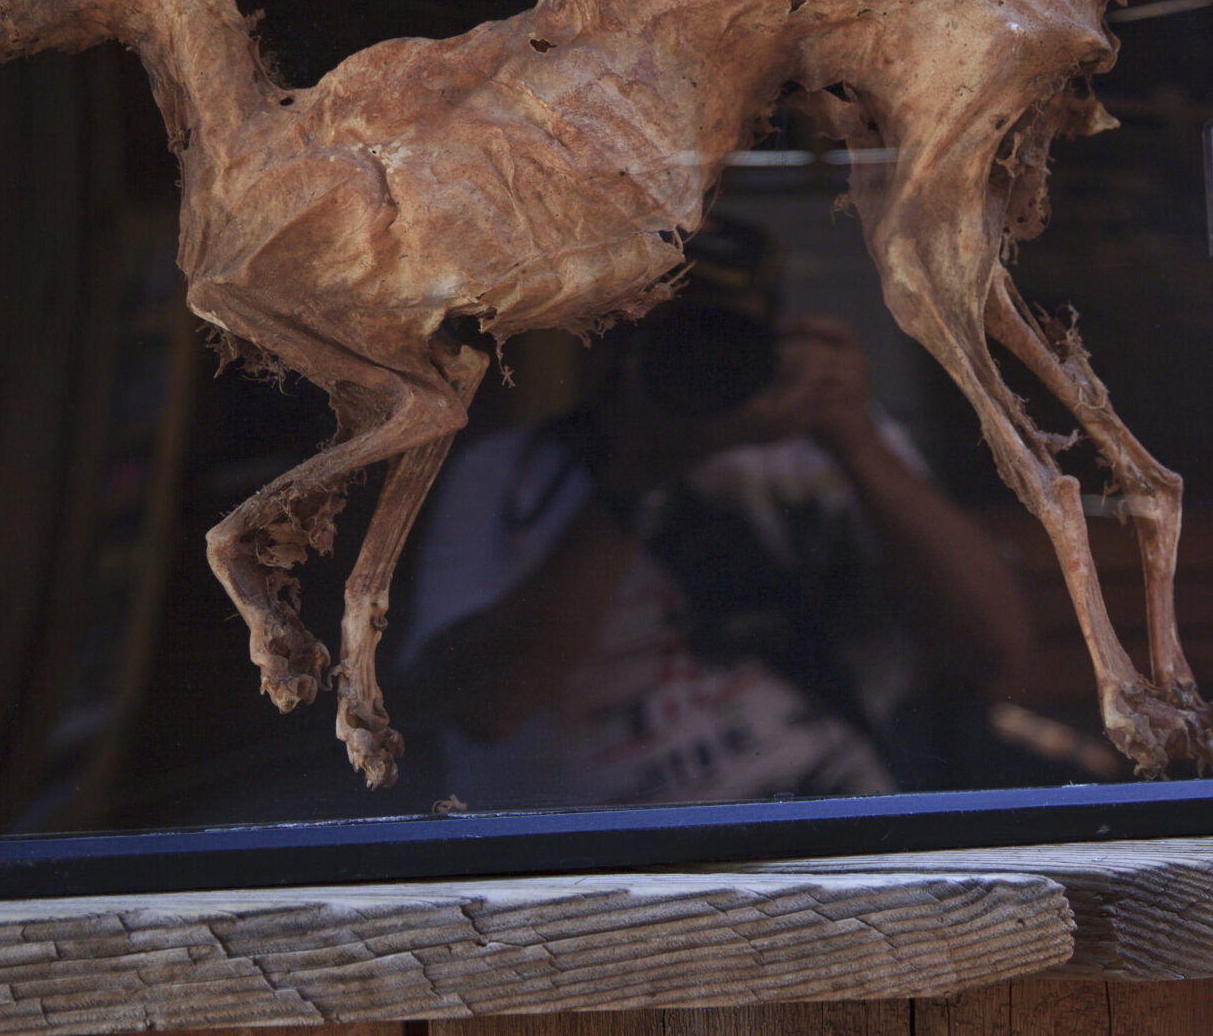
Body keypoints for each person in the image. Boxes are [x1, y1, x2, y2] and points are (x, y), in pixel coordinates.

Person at [391, 217, 1034, 810]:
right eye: (669, 338)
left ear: (778, 339)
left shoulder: (832, 443)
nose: (699, 361)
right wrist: (638, 475)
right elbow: (487, 709)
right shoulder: (510, 476)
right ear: (605, 348)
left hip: (828, 814)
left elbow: (996, 652)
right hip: (600, 855)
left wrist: (856, 440)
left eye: (724, 337)